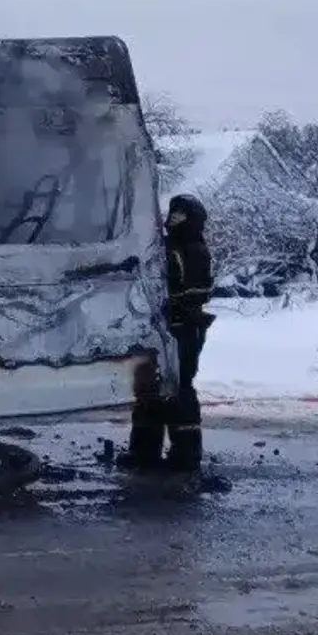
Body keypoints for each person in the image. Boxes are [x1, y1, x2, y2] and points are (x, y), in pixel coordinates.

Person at [124, 193, 215, 472]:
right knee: (149, 389)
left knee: (179, 389)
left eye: (180, 214)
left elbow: (196, 292)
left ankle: (186, 454)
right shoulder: (167, 246)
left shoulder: (193, 250)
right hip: (162, 329)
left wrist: (171, 303)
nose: (173, 218)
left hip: (183, 330)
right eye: (173, 212)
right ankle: (144, 451)